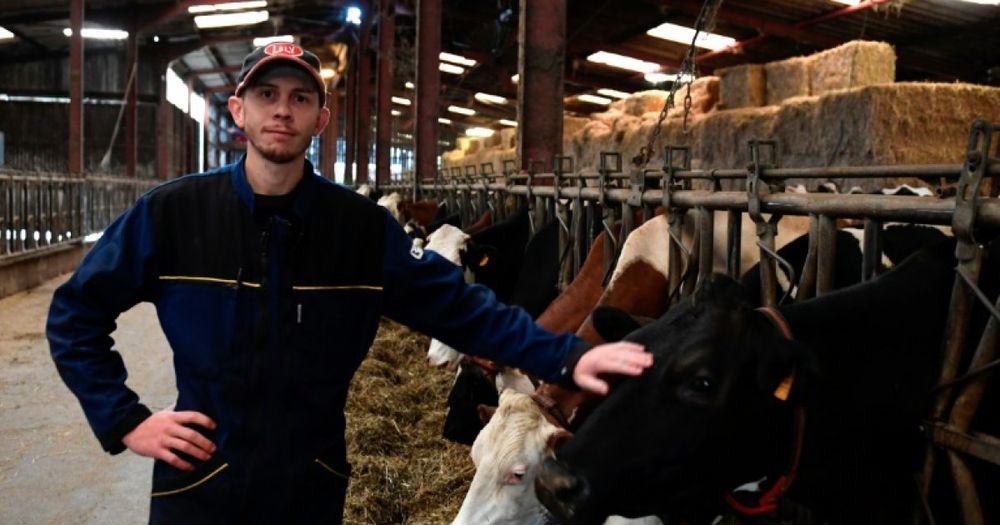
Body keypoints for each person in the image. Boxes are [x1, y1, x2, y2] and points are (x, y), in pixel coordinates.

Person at [46, 43, 653, 525]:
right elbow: (75, 314)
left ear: (321, 117)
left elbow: (463, 311)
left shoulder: (361, 229)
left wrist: (569, 357)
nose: (281, 109)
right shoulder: (172, 214)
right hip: (200, 478)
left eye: (299, 97)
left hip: (311, 480)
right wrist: (125, 418)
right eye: (265, 94)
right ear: (239, 111)